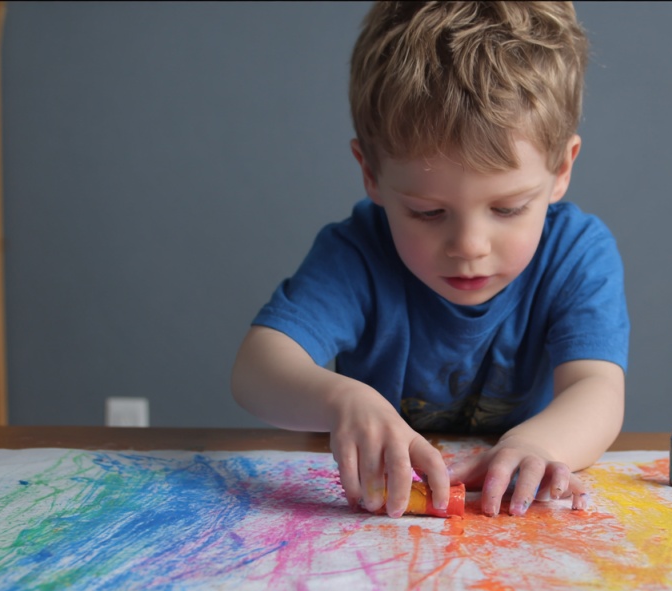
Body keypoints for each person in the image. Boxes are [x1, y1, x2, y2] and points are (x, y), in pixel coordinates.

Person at [232, 1, 628, 518]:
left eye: (508, 208)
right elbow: (255, 371)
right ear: (370, 174)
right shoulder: (357, 255)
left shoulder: (576, 253)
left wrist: (539, 448)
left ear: (561, 169)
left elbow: (597, 389)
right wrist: (341, 401)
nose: (469, 244)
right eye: (427, 212)